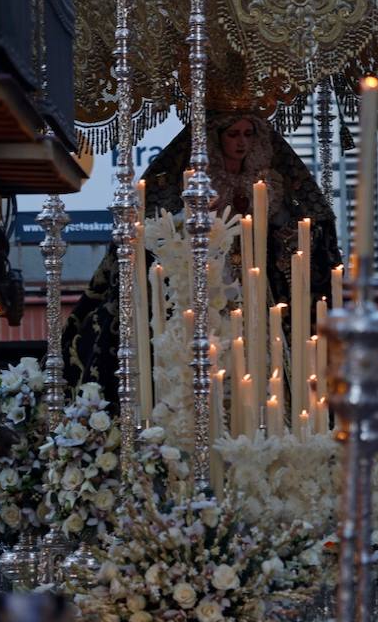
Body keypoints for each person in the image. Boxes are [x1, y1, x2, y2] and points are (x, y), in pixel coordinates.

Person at [61, 111, 341, 410]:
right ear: (216, 138)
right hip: (209, 278)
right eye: (233, 134)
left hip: (258, 280)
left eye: (248, 134)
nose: (241, 142)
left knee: (264, 348)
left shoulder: (269, 182)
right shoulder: (198, 182)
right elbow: (164, 225)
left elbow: (300, 226)